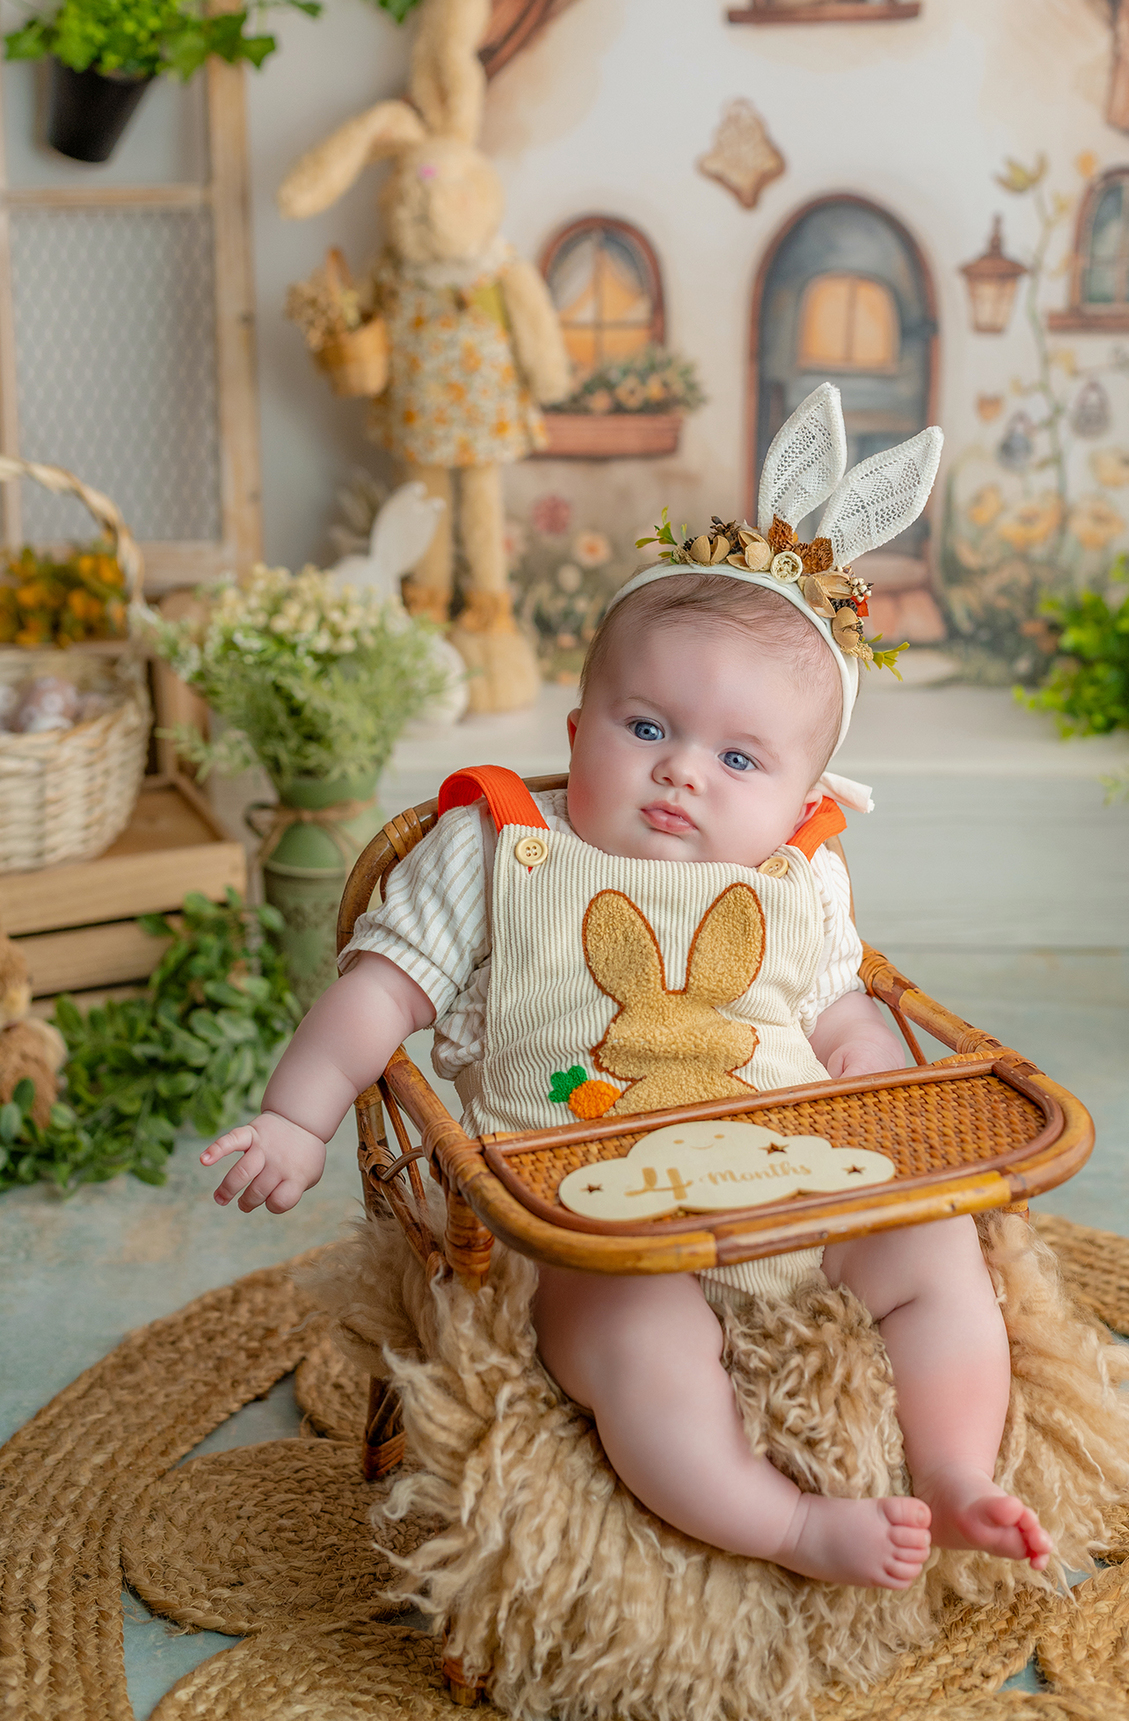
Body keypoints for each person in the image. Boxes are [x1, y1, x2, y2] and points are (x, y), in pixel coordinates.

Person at [200, 388, 1053, 1590]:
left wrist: (876, 1085)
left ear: (806, 787)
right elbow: (379, 991)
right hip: (593, 1219)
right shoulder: (501, 845)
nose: (681, 774)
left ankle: (958, 1468)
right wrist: (298, 1115)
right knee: (633, 1352)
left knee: (936, 1246)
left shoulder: (798, 878)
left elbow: (842, 1016)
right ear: (580, 718)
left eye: (739, 758)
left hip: (798, 1178)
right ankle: (787, 1527)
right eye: (645, 723)